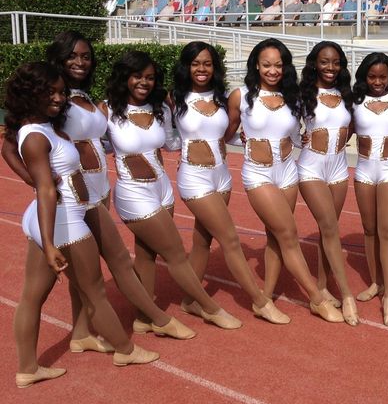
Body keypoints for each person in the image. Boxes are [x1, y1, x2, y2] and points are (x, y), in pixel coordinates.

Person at [3, 32, 194, 347]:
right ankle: (154, 320)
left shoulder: (82, 97)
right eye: (73, 56)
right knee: (80, 272)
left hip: (97, 190)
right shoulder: (50, 101)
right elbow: (11, 146)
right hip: (69, 199)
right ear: (59, 59)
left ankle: (82, 333)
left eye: (86, 56)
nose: (80, 62)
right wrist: (36, 181)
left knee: (89, 270)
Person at [6, 62, 159, 388]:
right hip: (64, 223)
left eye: (61, 92)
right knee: (95, 292)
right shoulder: (35, 137)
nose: (58, 98)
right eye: (49, 92)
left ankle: (28, 369)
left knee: (32, 296)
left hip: (59, 218)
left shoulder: (41, 128)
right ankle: (125, 349)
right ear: (29, 93)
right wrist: (49, 244)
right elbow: (45, 189)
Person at [102, 51, 242, 330]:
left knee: (146, 253)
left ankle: (143, 318)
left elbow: (172, 143)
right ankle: (208, 307)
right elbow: (96, 145)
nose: (144, 82)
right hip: (132, 193)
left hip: (163, 189)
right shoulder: (106, 111)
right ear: (124, 77)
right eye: (138, 76)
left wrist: (212, 138)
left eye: (150, 77)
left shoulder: (160, 109)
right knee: (175, 252)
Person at [171, 42, 290, 325]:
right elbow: (166, 136)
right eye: (196, 63)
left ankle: (191, 300)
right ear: (186, 66)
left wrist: (244, 138)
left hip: (222, 176)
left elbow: (230, 134)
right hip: (194, 177)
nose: (202, 69)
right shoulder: (173, 98)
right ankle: (260, 302)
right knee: (230, 239)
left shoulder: (223, 97)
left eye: (207, 63)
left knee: (203, 242)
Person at [226, 39, 343, 323]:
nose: (273, 70)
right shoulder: (241, 96)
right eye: (267, 65)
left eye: (278, 65)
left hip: (287, 172)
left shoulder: (293, 97)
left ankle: (265, 297)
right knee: (289, 234)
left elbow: (296, 133)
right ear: (256, 64)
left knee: (276, 237)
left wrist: (300, 139)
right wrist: (243, 141)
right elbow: (226, 132)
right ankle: (316, 298)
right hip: (258, 173)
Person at [297, 42, 359, 325]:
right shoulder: (303, 94)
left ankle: (322, 287)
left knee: (327, 230)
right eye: (324, 62)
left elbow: (353, 126)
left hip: (338, 167)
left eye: (335, 62)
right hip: (311, 167)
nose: (330, 67)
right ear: (314, 63)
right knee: (331, 227)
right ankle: (346, 295)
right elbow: (282, 124)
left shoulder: (347, 95)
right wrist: (301, 140)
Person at [351, 53, 388, 326]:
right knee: (369, 229)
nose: (377, 82)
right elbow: (338, 128)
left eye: (383, 77)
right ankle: (375, 282)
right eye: (372, 76)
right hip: (363, 170)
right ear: (364, 76)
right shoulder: (355, 101)